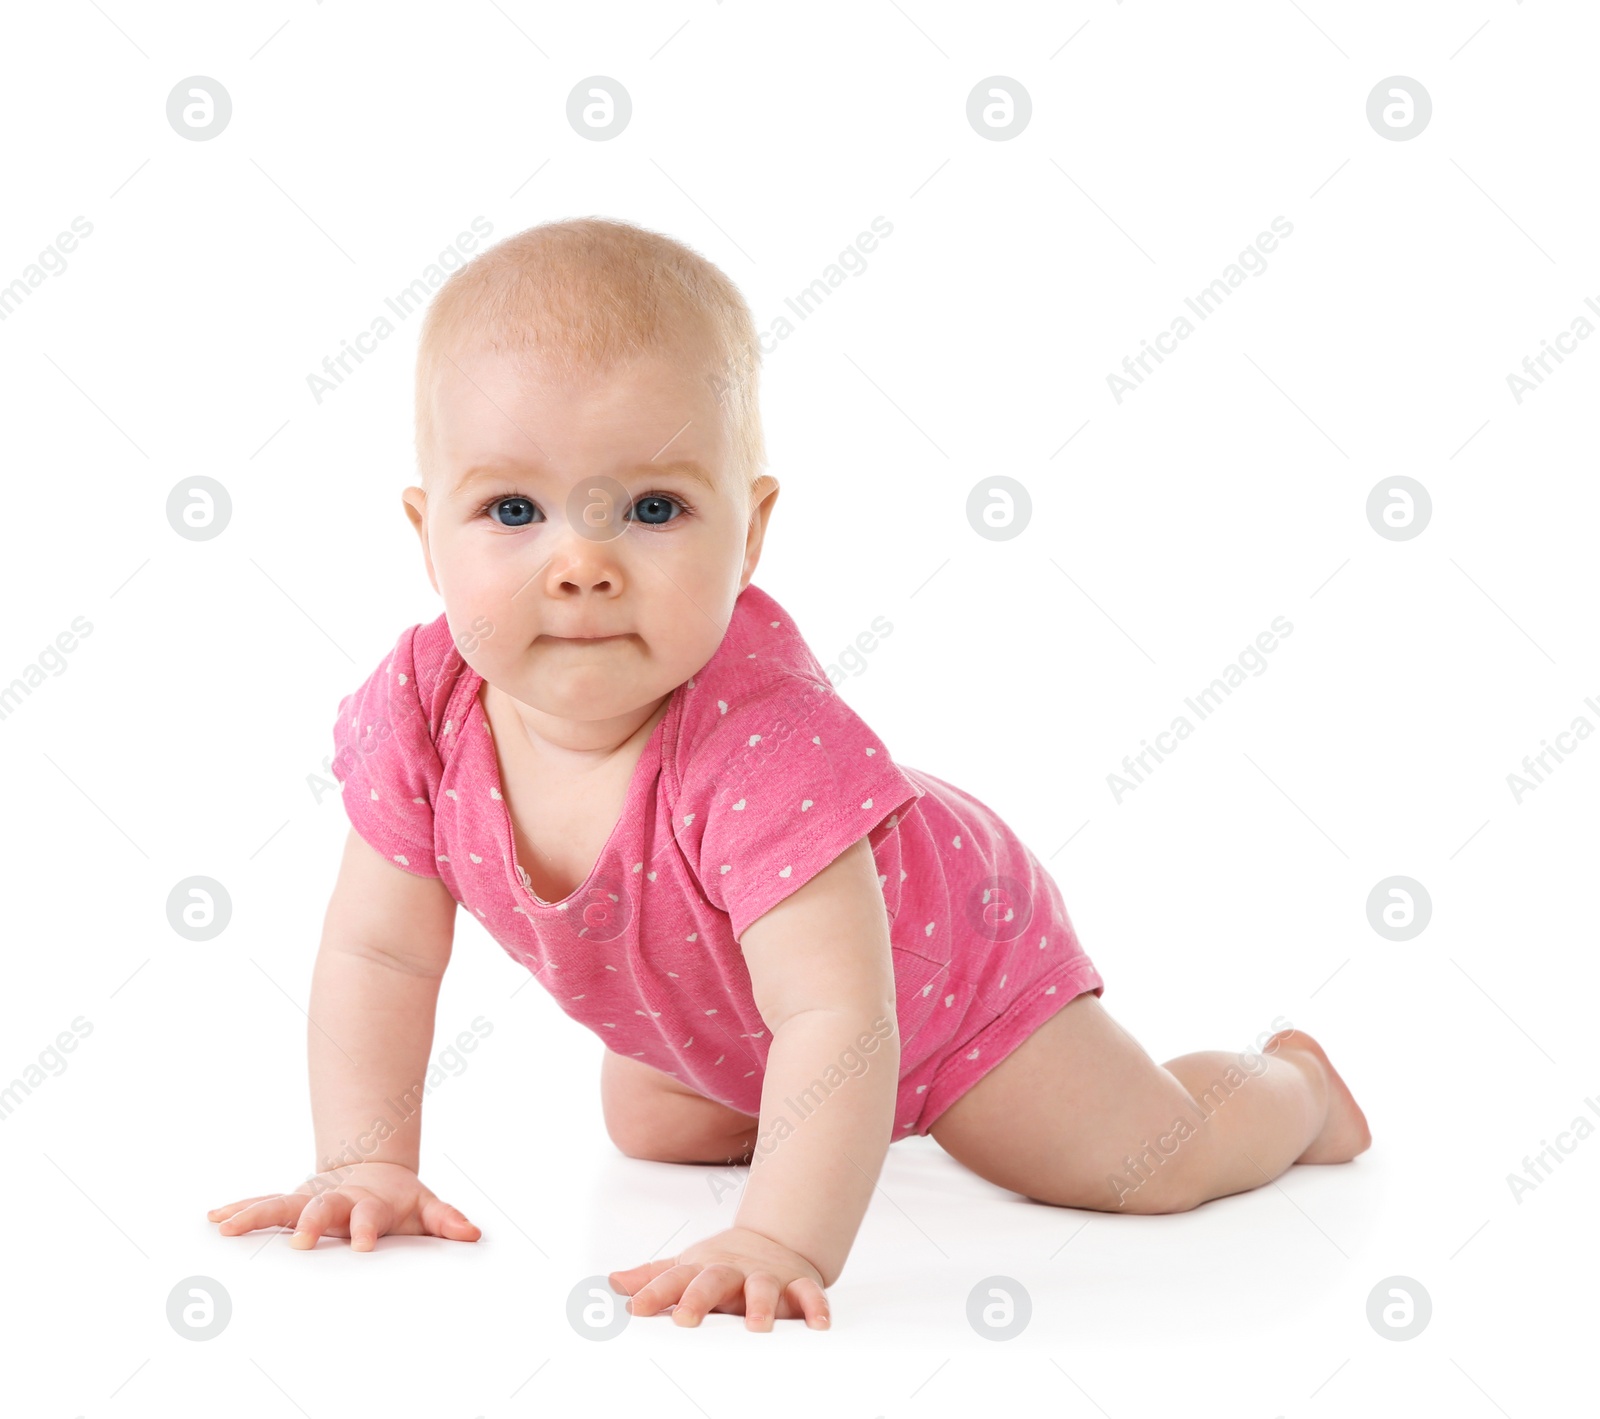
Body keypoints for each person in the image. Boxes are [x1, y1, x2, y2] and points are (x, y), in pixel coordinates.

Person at [208, 217, 1369, 1331]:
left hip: (943, 978)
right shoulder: (426, 709)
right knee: (651, 1125)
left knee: (1136, 1164)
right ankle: (823, 1131)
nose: (582, 564)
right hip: (726, 1022)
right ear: (427, 534)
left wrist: (780, 1241)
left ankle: (1294, 1093)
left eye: (655, 508)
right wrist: (364, 1161)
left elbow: (843, 1021)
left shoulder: (761, 747)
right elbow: (381, 950)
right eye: (513, 509)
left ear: (750, 533)